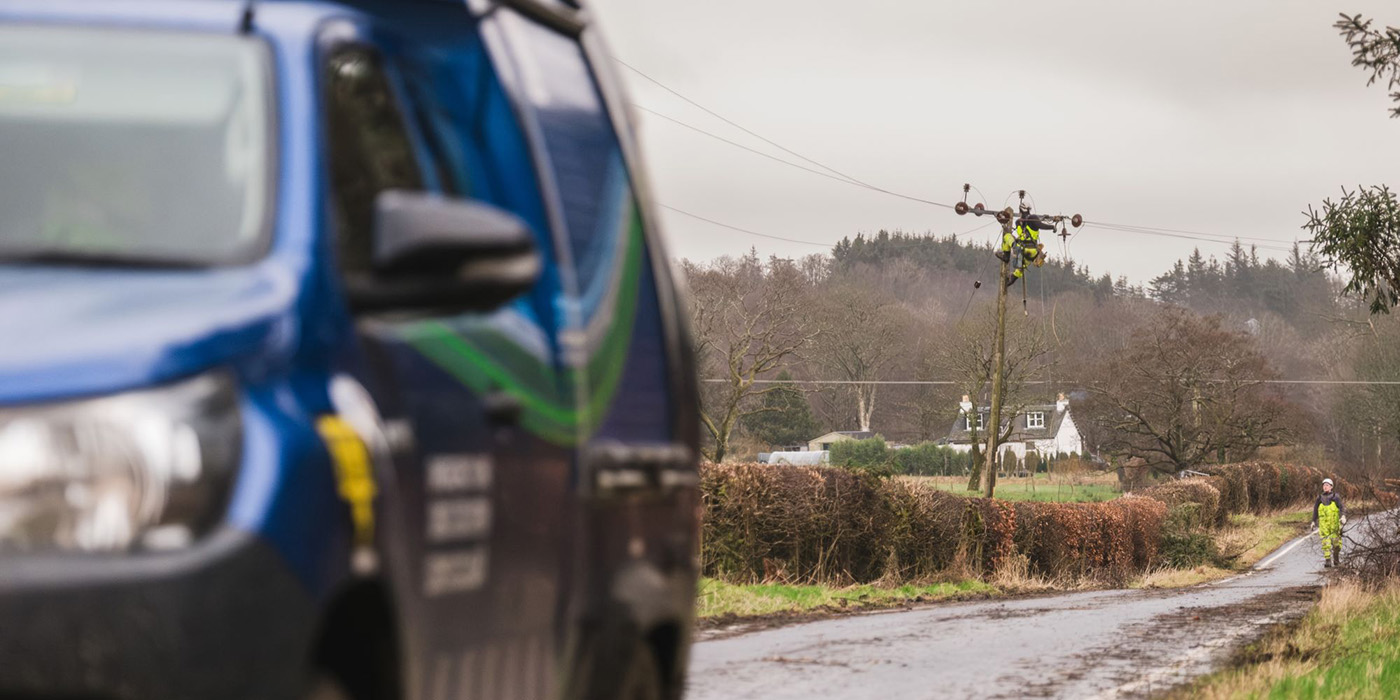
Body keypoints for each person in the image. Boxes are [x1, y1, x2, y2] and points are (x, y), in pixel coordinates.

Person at [996, 214, 1048, 287]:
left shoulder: (1024, 231)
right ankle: (1014, 277)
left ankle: (1006, 256)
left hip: (1022, 249)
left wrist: (1018, 224)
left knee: (1007, 237)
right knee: (1022, 264)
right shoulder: (1035, 232)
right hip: (1032, 253)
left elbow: (1020, 233)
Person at [1312, 477, 1347, 568]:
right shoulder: (1319, 498)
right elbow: (1315, 510)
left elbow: (1342, 507)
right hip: (1324, 526)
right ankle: (1328, 561)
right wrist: (1313, 521)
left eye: (1327, 485)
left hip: (1335, 525)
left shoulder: (1336, 497)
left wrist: (1343, 516)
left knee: (1336, 544)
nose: (1325, 487)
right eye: (1324, 485)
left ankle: (1336, 560)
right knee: (1325, 543)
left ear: (1331, 487)